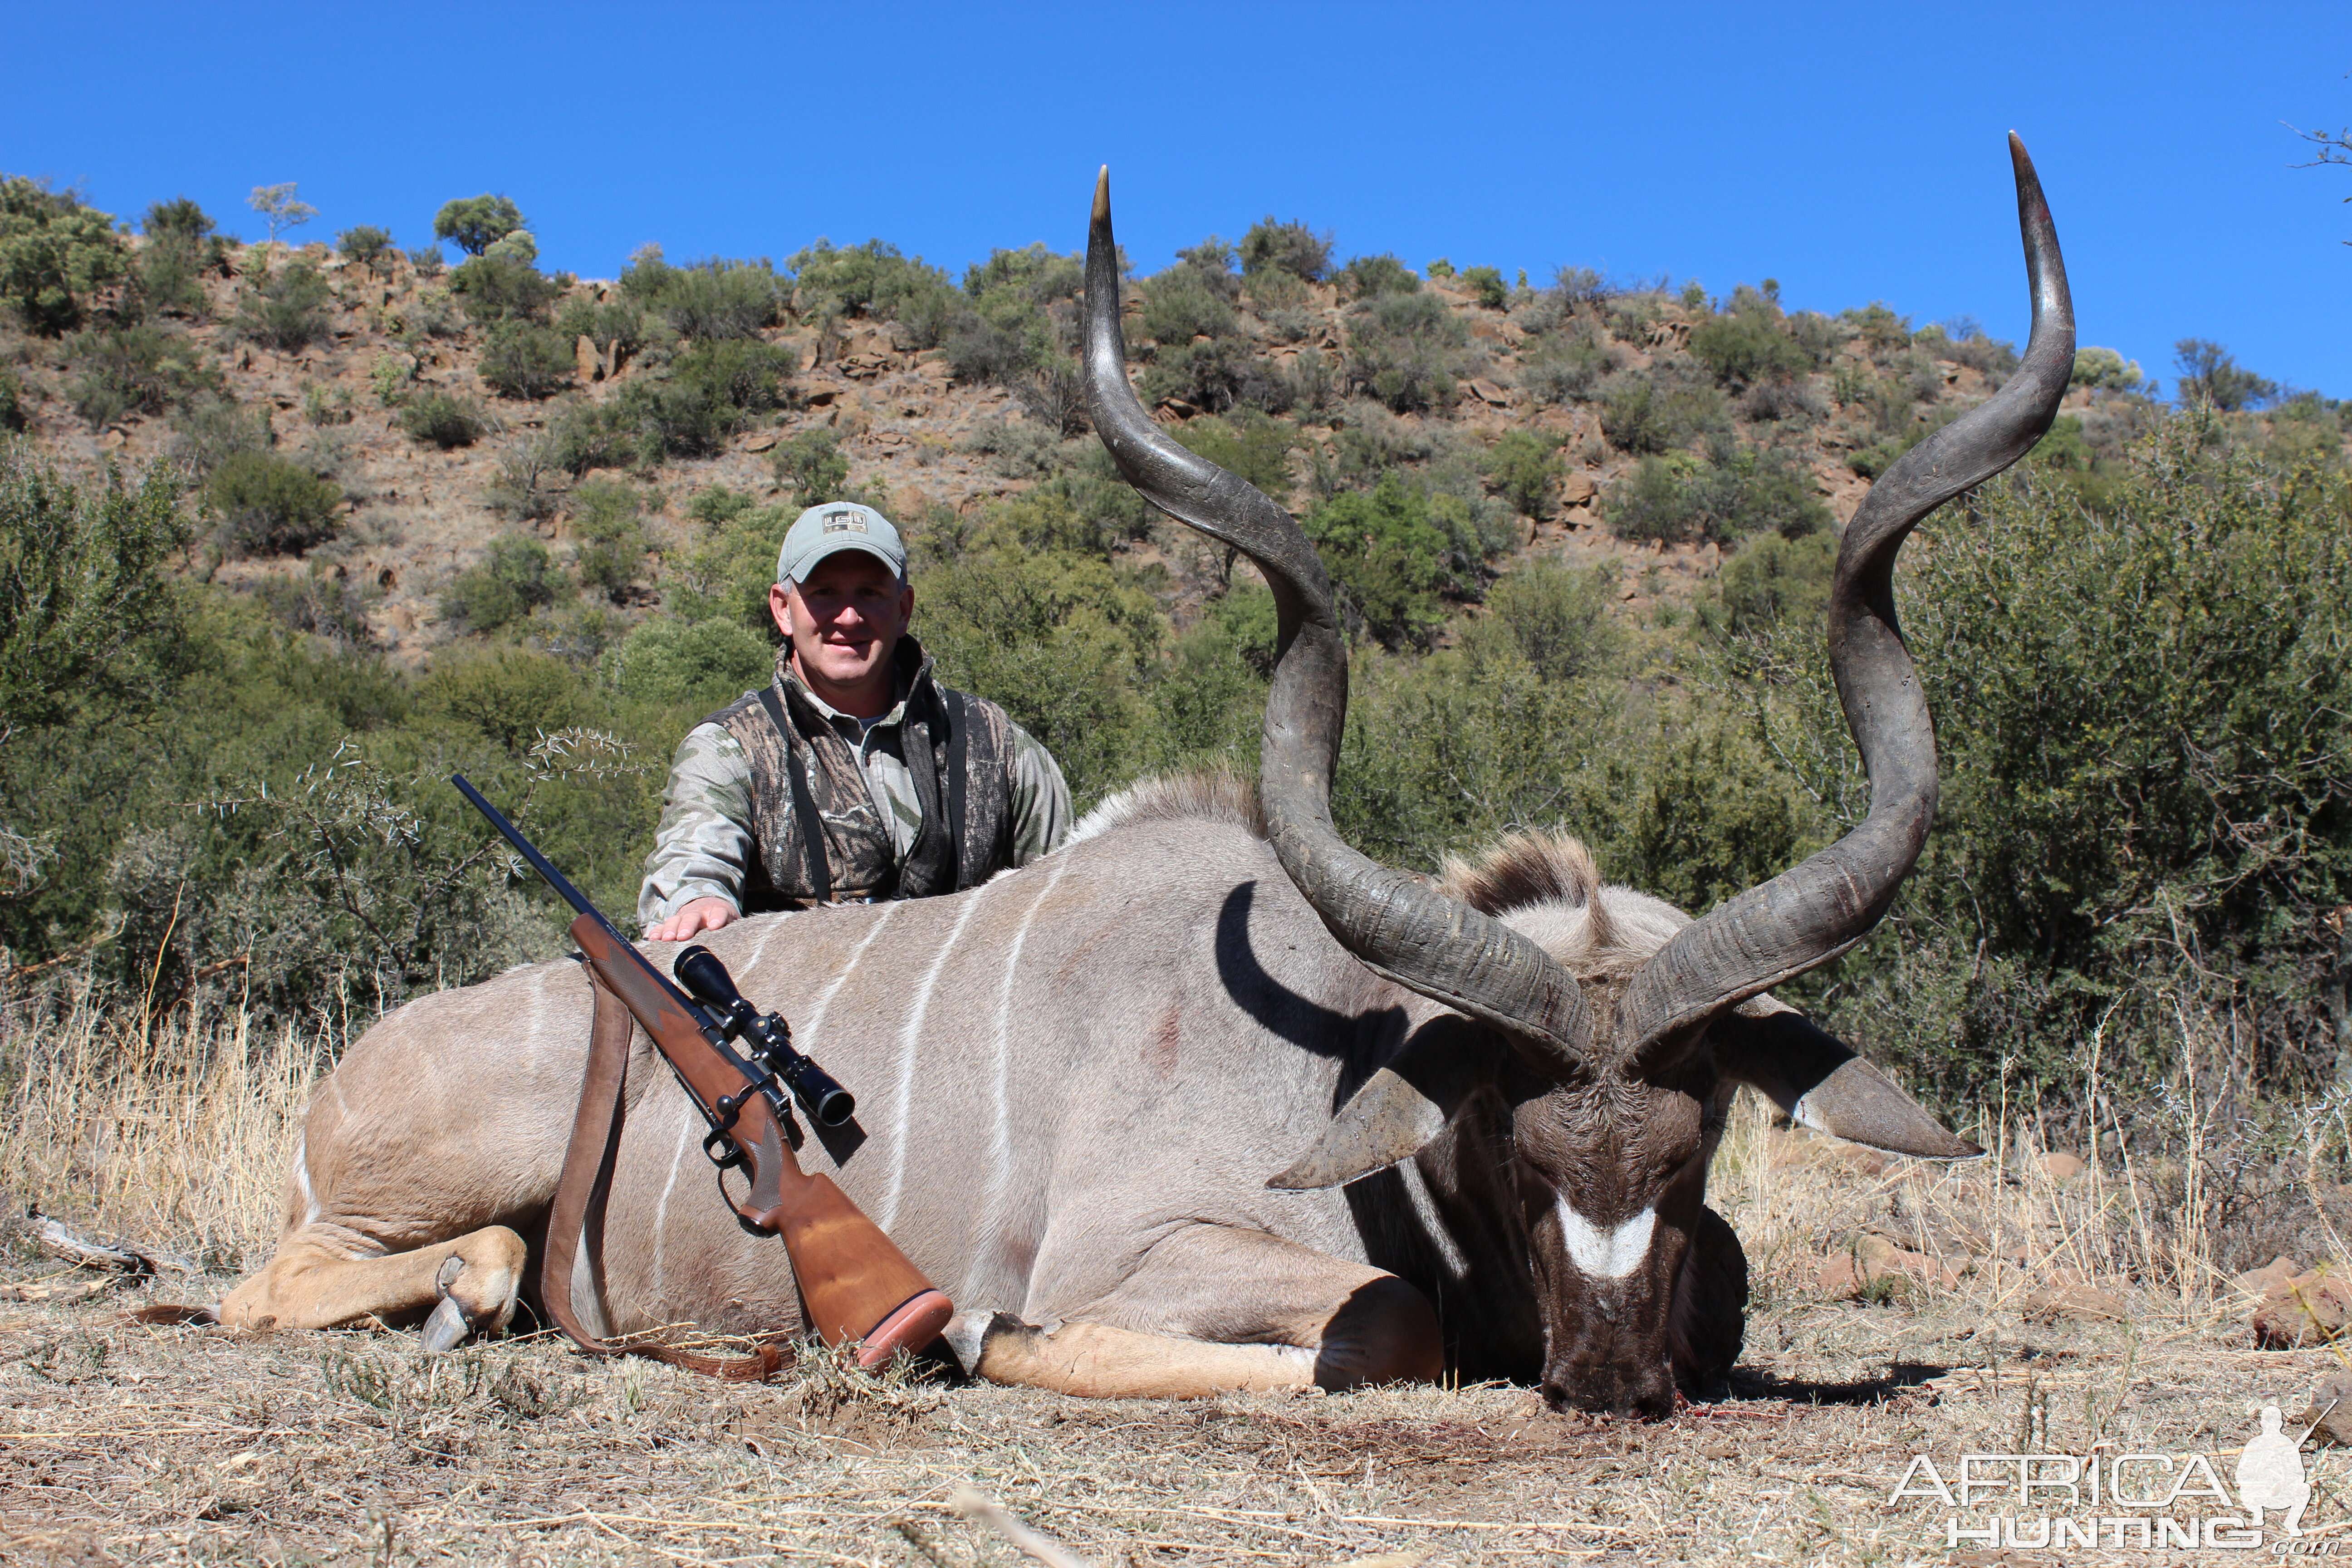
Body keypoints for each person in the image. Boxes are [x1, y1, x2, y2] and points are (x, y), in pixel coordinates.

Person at [640, 501, 1070, 939]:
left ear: (903, 609)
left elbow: (1066, 895)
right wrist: (699, 902)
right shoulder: (730, 748)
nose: (848, 617)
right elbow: (693, 864)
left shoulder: (995, 743)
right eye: (824, 592)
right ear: (783, 609)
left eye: (870, 593)